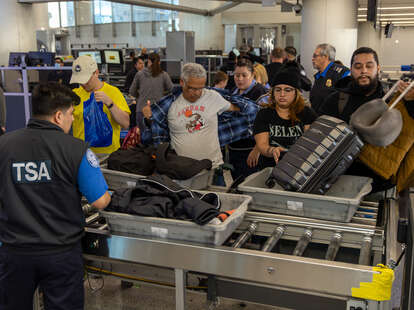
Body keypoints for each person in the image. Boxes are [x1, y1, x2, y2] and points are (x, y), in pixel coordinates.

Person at [0, 82, 111, 310]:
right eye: (71, 114)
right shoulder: (77, 149)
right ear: (58, 116)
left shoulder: (4, 145)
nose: (72, 120)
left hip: (14, 253)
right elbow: (101, 201)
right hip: (61, 253)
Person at [319, 46, 414, 192]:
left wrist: (410, 102)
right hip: (340, 185)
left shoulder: (391, 102)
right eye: (358, 66)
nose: (363, 71)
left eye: (369, 66)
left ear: (378, 68)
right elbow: (320, 139)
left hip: (379, 186)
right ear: (351, 69)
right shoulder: (335, 100)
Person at [141, 63, 257, 167]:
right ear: (182, 82)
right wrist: (149, 117)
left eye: (200, 88)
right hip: (181, 168)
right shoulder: (169, 105)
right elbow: (155, 132)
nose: (196, 93)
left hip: (214, 166)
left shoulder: (212, 96)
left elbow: (240, 110)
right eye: (191, 88)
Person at [252, 70, 317, 170]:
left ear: (296, 93)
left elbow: (310, 144)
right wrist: (272, 150)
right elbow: (262, 145)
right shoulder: (264, 114)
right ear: (273, 92)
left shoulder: (307, 113)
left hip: (300, 167)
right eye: (278, 90)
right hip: (270, 167)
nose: (282, 94)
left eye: (287, 90)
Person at [70, 55, 131, 154]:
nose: (83, 84)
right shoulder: (74, 95)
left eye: (85, 80)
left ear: (96, 73)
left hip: (108, 155)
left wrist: (110, 104)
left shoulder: (113, 92)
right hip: (81, 154)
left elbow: (125, 123)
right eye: (79, 80)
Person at [229, 59, 268, 179]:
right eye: (237, 75)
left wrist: (257, 149)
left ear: (252, 75)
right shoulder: (233, 92)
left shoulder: (260, 93)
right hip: (234, 148)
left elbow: (268, 123)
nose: (239, 79)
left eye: (244, 75)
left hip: (251, 149)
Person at [129, 52, 173, 130]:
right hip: (158, 110)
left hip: (141, 110)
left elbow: (132, 91)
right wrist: (162, 94)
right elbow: (171, 90)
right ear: (159, 62)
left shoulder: (139, 74)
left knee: (143, 137)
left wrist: (141, 96)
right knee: (158, 138)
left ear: (148, 61)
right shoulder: (164, 75)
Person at [310, 43, 350, 115]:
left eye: (315, 56)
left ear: (325, 57)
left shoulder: (342, 73)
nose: (312, 59)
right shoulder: (318, 76)